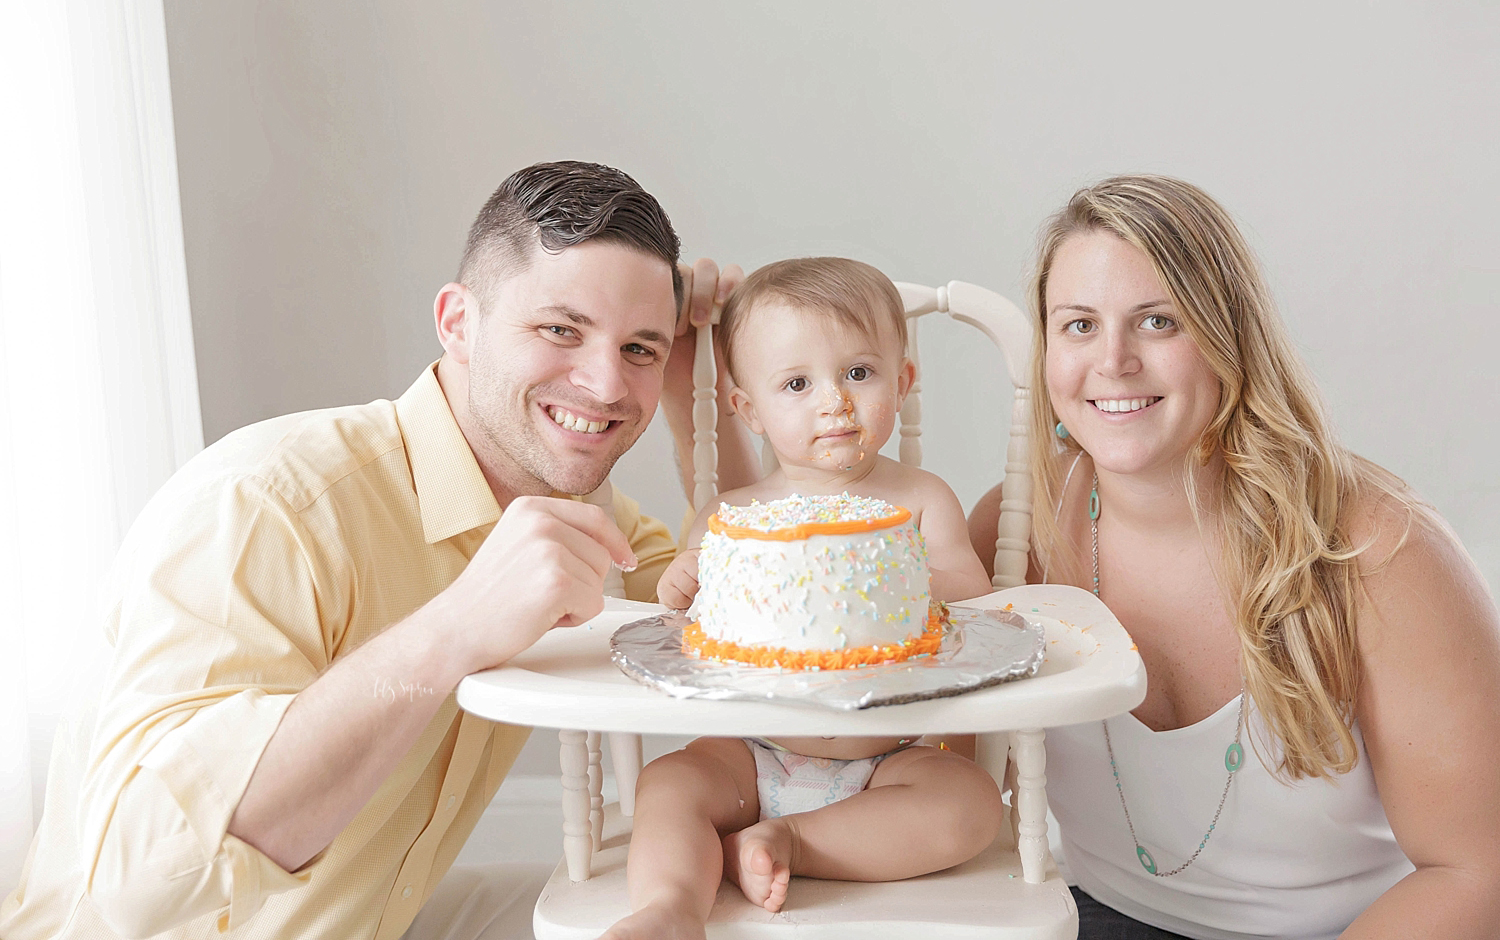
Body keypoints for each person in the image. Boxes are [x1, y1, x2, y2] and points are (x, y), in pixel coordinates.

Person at [0, 161, 759, 940]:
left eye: (639, 348)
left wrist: (692, 398)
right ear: (457, 322)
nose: (605, 384)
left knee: (714, 917)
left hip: (373, 921)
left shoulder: (585, 522)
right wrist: (453, 632)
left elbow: (745, 625)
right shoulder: (269, 504)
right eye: (560, 330)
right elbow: (137, 887)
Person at [967, 175, 1500, 939]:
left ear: (1228, 338)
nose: (1112, 360)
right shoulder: (1020, 530)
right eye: (1078, 325)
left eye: (1157, 321)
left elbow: (1477, 874)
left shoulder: (1377, 550)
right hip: (1091, 918)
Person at [603, 257, 1001, 940]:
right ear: (749, 409)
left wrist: (869, 573)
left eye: (858, 373)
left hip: (887, 754)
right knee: (669, 784)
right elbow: (690, 621)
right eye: (797, 383)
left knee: (971, 806)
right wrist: (682, 587)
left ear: (902, 382)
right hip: (751, 752)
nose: (834, 401)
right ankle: (669, 907)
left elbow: (972, 600)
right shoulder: (732, 515)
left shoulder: (920, 499)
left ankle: (792, 842)